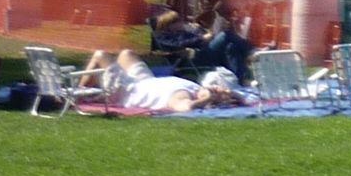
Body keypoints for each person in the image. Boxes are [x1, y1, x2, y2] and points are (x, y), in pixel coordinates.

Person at [75, 47, 243, 113]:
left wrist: (208, 98)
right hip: (144, 80)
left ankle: (77, 96)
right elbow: (240, 96)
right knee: (127, 54)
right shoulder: (195, 87)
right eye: (217, 87)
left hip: (126, 91)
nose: (215, 88)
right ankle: (95, 90)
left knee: (100, 55)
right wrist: (232, 94)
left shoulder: (183, 96)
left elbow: (185, 108)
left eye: (216, 90)